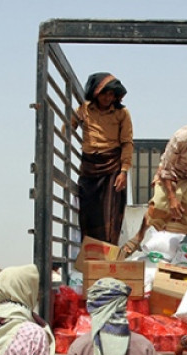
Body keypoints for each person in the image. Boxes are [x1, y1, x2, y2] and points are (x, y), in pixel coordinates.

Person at [119, 109, 187, 267]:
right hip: (172, 173)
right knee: (159, 206)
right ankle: (139, 236)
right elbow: (166, 170)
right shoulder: (180, 138)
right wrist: (172, 198)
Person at [70, 72, 133, 244]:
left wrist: (124, 171)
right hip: (89, 167)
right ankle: (90, 256)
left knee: (110, 214)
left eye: (111, 94)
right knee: (88, 212)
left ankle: (107, 256)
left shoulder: (122, 113)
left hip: (112, 166)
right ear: (96, 93)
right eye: (104, 93)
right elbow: (66, 128)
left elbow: (127, 143)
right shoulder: (84, 109)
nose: (107, 97)